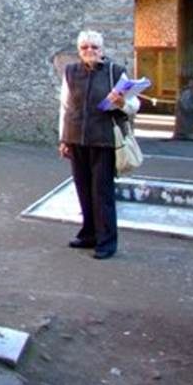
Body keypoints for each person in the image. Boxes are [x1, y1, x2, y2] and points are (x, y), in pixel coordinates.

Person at [57, 30, 140, 259]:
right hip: (76, 138)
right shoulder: (71, 72)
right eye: (84, 47)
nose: (89, 51)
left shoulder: (116, 73)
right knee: (83, 190)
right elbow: (64, 106)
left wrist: (122, 102)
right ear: (79, 50)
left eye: (94, 47)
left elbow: (134, 106)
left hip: (103, 140)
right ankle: (88, 234)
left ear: (102, 50)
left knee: (102, 192)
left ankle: (106, 241)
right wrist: (63, 138)